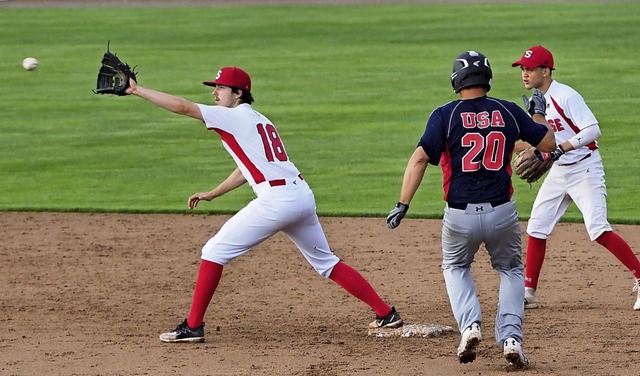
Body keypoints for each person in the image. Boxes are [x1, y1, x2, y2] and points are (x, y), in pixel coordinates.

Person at [120, 66, 403, 343]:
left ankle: (193, 326)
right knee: (327, 263)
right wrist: (214, 193)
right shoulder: (260, 120)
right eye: (215, 87)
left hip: (277, 201)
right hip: (301, 196)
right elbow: (248, 167)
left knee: (214, 251)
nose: (215, 93)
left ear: (238, 93)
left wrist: (136, 90)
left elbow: (182, 106)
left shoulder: (232, 117)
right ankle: (386, 313)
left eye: (221, 88)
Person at [386, 51, 556, 369]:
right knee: (510, 270)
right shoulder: (507, 110)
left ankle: (470, 327)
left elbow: (420, 158)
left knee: (455, 266)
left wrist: (402, 204)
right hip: (501, 213)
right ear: (487, 78)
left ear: (456, 80)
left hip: (459, 215)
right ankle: (511, 339)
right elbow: (547, 144)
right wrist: (537, 113)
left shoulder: (444, 115)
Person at [511, 45, 640, 311]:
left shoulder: (565, 95)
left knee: (598, 229)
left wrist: (560, 149)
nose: (524, 74)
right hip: (560, 170)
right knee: (537, 226)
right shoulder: (537, 102)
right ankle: (529, 292)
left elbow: (593, 129)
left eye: (530, 69)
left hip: (585, 169)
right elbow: (537, 141)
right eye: (522, 69)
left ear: (546, 71)